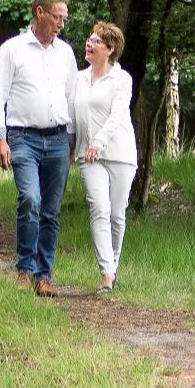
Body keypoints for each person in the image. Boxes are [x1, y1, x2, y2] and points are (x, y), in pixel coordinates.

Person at [0, 0, 78, 297]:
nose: (61, 24)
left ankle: (44, 274)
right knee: (30, 200)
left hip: (58, 138)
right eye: (57, 17)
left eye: (64, 18)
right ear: (40, 13)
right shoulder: (12, 50)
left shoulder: (65, 53)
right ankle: (25, 268)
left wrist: (73, 140)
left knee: (51, 210)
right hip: (22, 137)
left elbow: (72, 98)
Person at [73, 21, 137, 294]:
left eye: (96, 41)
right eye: (89, 39)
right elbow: (71, 116)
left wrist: (99, 142)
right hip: (88, 156)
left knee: (116, 214)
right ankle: (107, 274)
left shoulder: (121, 79)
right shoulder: (78, 79)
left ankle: (114, 265)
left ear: (109, 49)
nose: (89, 44)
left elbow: (118, 115)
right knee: (99, 209)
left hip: (120, 154)